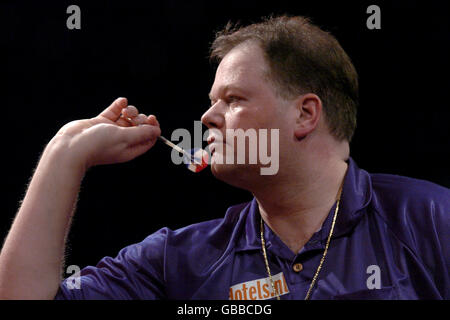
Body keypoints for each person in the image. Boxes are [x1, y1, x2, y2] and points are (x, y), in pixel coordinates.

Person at [0, 15, 448, 300]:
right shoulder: (181, 260)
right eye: (212, 100)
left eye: (232, 99)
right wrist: (64, 154)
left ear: (305, 114)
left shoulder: (431, 220)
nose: (207, 116)